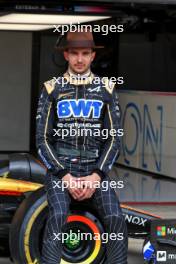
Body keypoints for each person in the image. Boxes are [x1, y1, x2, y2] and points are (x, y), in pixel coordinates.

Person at [36, 30, 128, 264]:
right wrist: (64, 176)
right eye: (74, 53)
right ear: (66, 55)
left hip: (95, 169)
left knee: (116, 217)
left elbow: (114, 139)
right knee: (57, 215)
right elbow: (41, 140)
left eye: (85, 53)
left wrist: (96, 176)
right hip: (61, 170)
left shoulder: (106, 89)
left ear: (92, 57)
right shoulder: (51, 89)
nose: (79, 59)